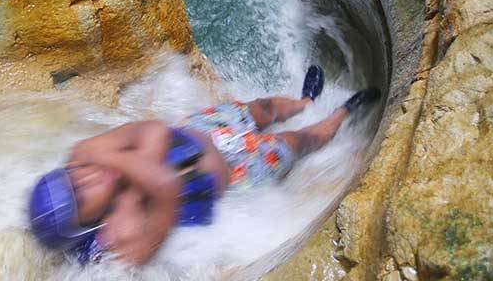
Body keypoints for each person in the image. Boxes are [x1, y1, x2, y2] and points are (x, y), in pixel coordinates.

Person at [29, 65, 381, 265]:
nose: (88, 176)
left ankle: (305, 101)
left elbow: (153, 129)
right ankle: (344, 111)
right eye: (82, 194)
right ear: (88, 223)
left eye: (73, 177)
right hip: (240, 173)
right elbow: (166, 186)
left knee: (261, 108)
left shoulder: (83, 156)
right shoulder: (120, 242)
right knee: (298, 142)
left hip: (201, 131)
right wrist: (123, 164)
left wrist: (128, 174)